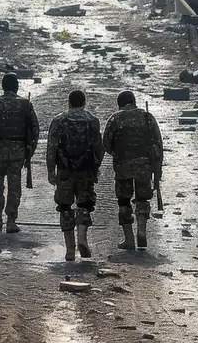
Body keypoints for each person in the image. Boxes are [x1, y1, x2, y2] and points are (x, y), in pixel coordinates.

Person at [0, 73, 39, 233]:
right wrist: (30, 150)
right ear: (16, 87)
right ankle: (11, 220)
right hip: (18, 151)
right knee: (14, 185)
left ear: (3, 87)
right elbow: (35, 129)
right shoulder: (25, 104)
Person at [47, 89, 104, 261]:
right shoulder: (92, 120)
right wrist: (96, 166)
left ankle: (70, 249)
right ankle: (82, 238)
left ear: (69, 102)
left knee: (64, 207)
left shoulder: (58, 120)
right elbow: (99, 147)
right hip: (85, 170)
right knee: (85, 204)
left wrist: (51, 170)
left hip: (65, 170)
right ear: (84, 103)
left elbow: (52, 147)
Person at [103, 90, 163, 251]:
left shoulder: (115, 118)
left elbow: (106, 144)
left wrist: (118, 153)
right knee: (142, 199)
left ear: (120, 104)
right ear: (134, 102)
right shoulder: (147, 117)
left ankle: (129, 239)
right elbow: (158, 144)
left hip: (122, 167)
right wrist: (157, 171)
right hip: (144, 167)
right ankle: (141, 230)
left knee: (124, 201)